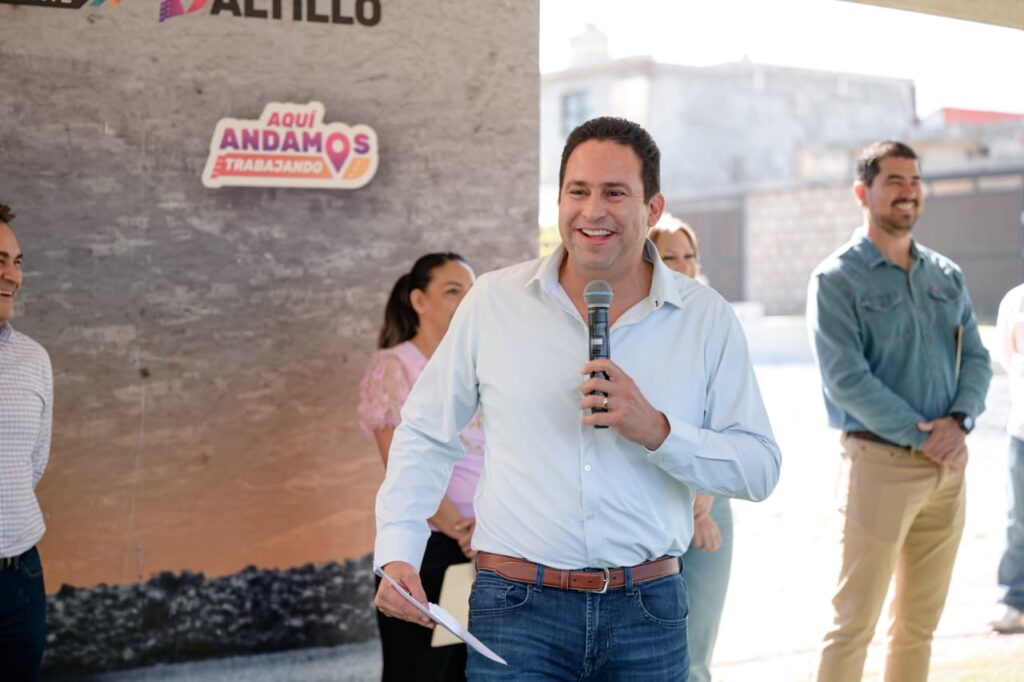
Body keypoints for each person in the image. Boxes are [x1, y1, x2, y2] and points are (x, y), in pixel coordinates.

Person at [374, 116, 781, 681]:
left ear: (653, 209)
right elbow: (424, 432)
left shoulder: (705, 318)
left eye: (615, 193)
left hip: (648, 610)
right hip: (515, 609)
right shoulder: (494, 301)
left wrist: (658, 431)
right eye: (578, 191)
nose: (593, 211)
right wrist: (399, 549)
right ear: (560, 200)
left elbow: (759, 467)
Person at [807, 141, 992, 682]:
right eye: (894, 181)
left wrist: (959, 422)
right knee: (853, 625)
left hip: (947, 472)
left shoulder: (946, 274)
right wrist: (924, 435)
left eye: (915, 180)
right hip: (880, 468)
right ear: (862, 193)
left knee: (917, 628)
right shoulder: (836, 279)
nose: (908, 191)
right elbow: (846, 379)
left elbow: (976, 358)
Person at [358, 252, 481, 682]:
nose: (465, 301)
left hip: (487, 542)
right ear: (419, 300)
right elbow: (401, 464)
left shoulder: (478, 364)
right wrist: (461, 531)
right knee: (422, 671)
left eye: (471, 291)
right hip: (431, 546)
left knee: (468, 669)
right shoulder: (395, 366)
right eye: (452, 291)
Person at [650, 216, 733, 682]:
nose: (683, 266)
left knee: (696, 655)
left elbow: (730, 420)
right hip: (656, 502)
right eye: (669, 257)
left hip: (711, 502)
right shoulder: (631, 328)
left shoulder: (715, 323)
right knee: (653, 654)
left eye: (689, 256)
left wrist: (705, 498)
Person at [0, 202, 53, 682]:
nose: (13, 276)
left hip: (21, 579)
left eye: (17, 262)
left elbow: (32, 464)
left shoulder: (34, 360)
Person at [991, 282, 1024, 633]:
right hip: (1022, 433)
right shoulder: (1015, 300)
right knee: (1018, 521)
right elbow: (1007, 358)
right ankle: (1014, 601)